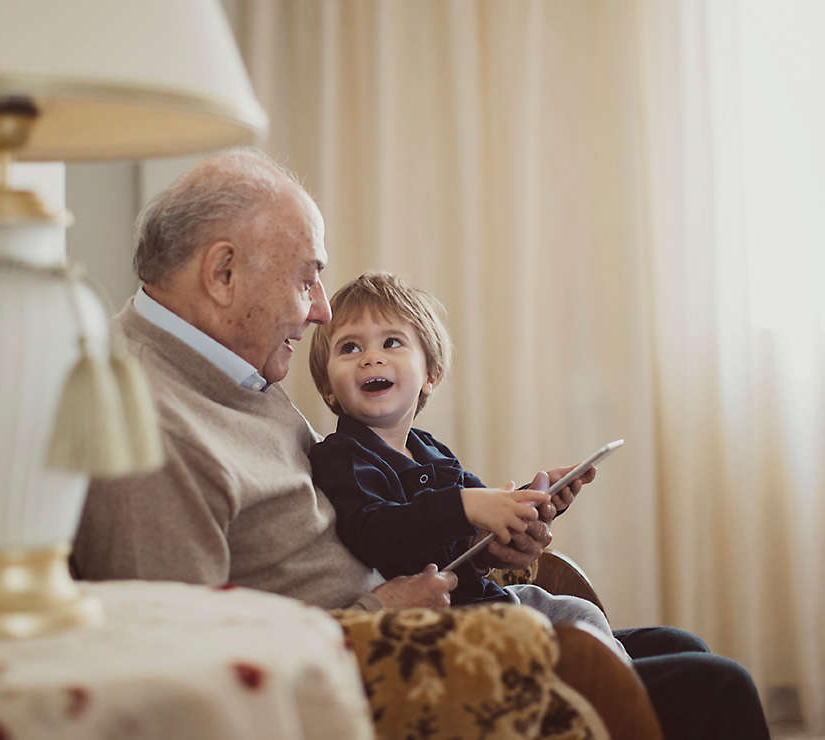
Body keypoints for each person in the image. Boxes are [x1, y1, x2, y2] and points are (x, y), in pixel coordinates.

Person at [73, 148, 770, 740]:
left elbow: (348, 523)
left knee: (683, 650)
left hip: (421, 620)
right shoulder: (145, 417)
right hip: (380, 679)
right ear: (223, 274)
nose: (320, 308)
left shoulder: (231, 369)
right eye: (307, 275)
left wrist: (484, 545)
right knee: (715, 687)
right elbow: (177, 672)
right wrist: (380, 616)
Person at [307, 271, 627, 658]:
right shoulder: (339, 456)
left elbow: (477, 528)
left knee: (580, 611)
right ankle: (614, 687)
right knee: (579, 634)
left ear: (430, 375)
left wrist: (529, 503)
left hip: (491, 601)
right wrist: (464, 505)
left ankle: (620, 679)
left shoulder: (432, 451)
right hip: (450, 626)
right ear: (328, 388)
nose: (371, 357)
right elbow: (373, 531)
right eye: (349, 348)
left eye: (391, 342)